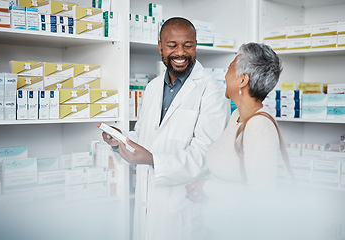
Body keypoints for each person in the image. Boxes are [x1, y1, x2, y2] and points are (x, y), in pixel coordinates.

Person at [100, 17, 230, 240]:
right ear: (160, 47)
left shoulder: (211, 90)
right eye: (172, 46)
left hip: (182, 209)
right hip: (148, 203)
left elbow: (205, 155)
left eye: (187, 45)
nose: (180, 53)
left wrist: (152, 159)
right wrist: (120, 140)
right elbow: (144, 135)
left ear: (196, 46)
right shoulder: (152, 87)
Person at [185, 42, 287, 239]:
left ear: (243, 80)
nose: (225, 73)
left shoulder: (258, 126)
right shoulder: (237, 117)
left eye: (230, 66)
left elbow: (260, 197)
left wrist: (206, 187)